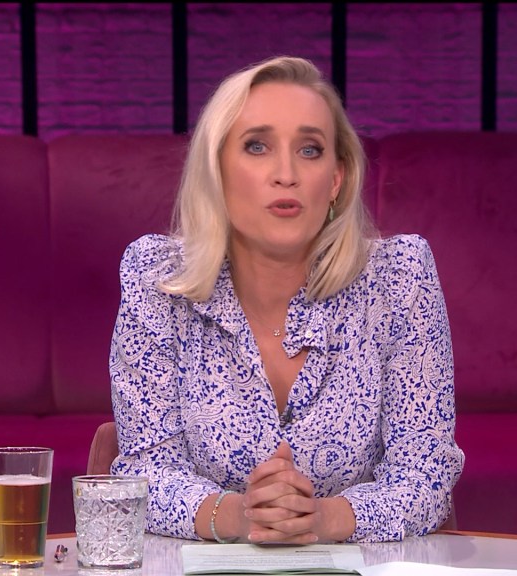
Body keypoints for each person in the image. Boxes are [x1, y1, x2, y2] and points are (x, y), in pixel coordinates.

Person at [109, 55, 463, 544]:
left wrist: (322, 519)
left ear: (336, 179)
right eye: (257, 146)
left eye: (310, 150)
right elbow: (145, 470)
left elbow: (426, 474)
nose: (286, 173)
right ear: (216, 170)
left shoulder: (399, 278)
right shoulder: (158, 277)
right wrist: (238, 517)